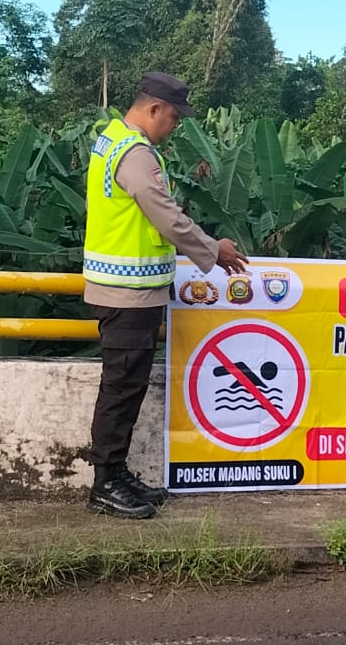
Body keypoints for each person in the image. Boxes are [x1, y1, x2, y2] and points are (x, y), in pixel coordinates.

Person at [82, 72, 247, 519]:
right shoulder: (136, 154)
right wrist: (213, 250)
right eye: (173, 117)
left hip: (125, 290)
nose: (174, 127)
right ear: (153, 108)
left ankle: (116, 474)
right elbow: (167, 217)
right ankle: (105, 484)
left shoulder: (111, 139)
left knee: (126, 386)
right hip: (127, 293)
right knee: (121, 388)